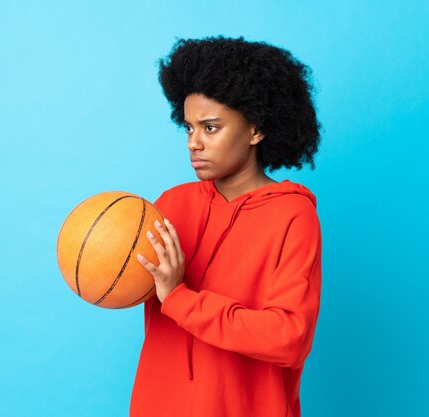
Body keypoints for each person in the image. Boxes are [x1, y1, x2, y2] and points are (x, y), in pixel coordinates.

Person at [131, 35, 323, 417]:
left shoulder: (293, 216)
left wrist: (180, 298)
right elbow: (125, 283)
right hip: (159, 404)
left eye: (211, 127)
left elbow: (288, 338)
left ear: (255, 130)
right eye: (188, 128)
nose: (193, 144)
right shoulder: (171, 204)